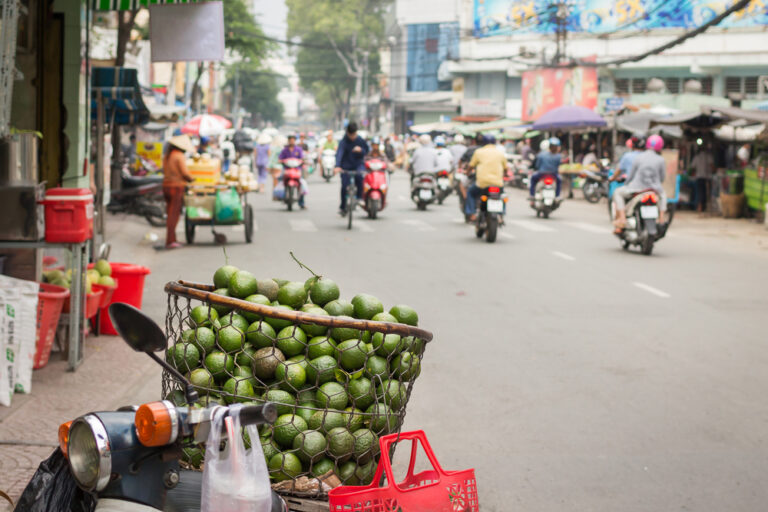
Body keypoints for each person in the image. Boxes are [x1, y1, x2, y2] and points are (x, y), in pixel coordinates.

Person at [612, 134, 667, 232]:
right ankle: (661, 218)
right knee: (663, 196)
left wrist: (627, 184)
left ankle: (622, 219)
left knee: (617, 192)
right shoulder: (661, 160)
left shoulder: (639, 157)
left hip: (637, 188)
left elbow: (631, 175)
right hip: (654, 189)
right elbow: (662, 178)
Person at [162, 135, 196, 249]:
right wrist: (192, 179)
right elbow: (185, 173)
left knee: (170, 214)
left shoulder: (167, 155)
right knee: (173, 215)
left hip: (166, 186)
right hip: (176, 187)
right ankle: (170, 241)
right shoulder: (179, 156)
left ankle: (172, 239)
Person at [465, 135, 506, 220]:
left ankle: (472, 213)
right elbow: (506, 168)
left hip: (482, 183)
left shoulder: (479, 152)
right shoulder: (500, 153)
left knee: (470, 193)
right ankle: (501, 214)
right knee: (502, 196)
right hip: (497, 183)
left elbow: (471, 165)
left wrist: (467, 172)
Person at [334, 122, 369, 214]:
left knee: (360, 178)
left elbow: (367, 150)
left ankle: (360, 198)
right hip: (345, 167)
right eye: (350, 135)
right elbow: (339, 154)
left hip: (358, 165)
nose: (352, 137)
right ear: (347, 133)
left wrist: (361, 150)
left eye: (354, 134)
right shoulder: (343, 142)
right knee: (344, 186)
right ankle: (342, 207)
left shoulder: (360, 140)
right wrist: (337, 166)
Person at [279, 135, 306, 209]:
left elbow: (302, 158)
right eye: (290, 140)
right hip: (287, 169)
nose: (292, 141)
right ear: (288, 141)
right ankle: (283, 197)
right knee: (281, 181)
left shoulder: (299, 149)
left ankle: (302, 202)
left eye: (293, 140)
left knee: (301, 183)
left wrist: (302, 162)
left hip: (297, 169)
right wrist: (282, 161)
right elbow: (280, 158)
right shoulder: (285, 150)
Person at [691, 144, 715, 212]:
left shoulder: (697, 157)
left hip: (700, 177)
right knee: (706, 193)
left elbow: (692, 167)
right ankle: (704, 207)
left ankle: (700, 207)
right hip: (707, 177)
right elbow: (712, 167)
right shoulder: (709, 156)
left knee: (700, 192)